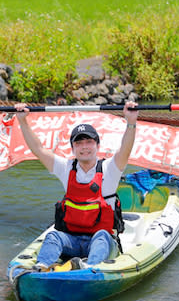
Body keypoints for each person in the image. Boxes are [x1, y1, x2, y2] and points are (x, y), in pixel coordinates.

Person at [14, 101, 139, 270]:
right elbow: (38, 149)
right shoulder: (66, 169)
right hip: (71, 239)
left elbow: (125, 149)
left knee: (102, 236)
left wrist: (131, 122)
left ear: (97, 145)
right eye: (79, 143)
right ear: (73, 148)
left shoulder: (110, 168)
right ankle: (41, 268)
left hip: (101, 241)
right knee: (53, 236)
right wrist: (23, 121)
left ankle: (89, 269)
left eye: (89, 142)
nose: (84, 147)